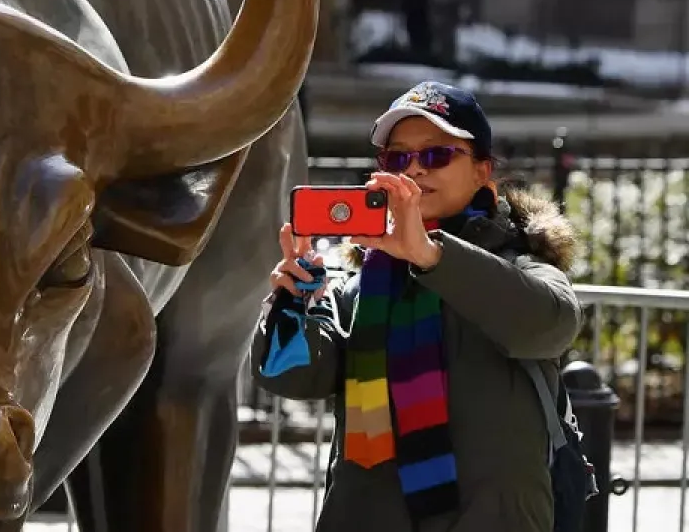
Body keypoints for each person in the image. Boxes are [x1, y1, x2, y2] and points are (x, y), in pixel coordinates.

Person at [250, 81, 584, 532]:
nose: (414, 170)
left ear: (482, 171)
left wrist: (430, 255)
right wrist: (293, 302)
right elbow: (288, 376)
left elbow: (552, 325)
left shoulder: (519, 262)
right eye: (397, 158)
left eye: (436, 155)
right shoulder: (361, 282)